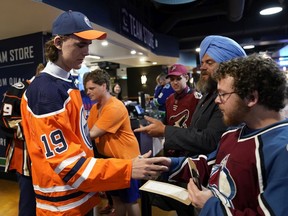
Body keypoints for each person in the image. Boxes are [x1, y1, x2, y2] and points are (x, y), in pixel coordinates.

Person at [20, 10, 169, 216]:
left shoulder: (64, 84)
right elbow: (67, 165)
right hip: (62, 204)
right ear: (58, 43)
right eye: (80, 44)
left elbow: (81, 144)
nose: (87, 51)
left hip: (78, 195)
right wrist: (126, 169)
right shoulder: (46, 91)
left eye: (88, 45)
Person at [134, 35, 246, 215]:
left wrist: (165, 132)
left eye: (209, 62)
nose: (203, 67)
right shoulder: (207, 95)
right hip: (199, 173)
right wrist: (174, 163)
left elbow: (212, 141)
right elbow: (215, 150)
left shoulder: (270, 140)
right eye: (202, 62)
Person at [168, 54, 288, 215]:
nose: (217, 100)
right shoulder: (232, 133)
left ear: (251, 98)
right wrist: (168, 164)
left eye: (223, 94)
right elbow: (211, 164)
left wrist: (209, 206)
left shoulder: (282, 150)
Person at [84, 69, 141, 216]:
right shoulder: (96, 107)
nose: (88, 92)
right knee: (117, 199)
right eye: (86, 89)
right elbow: (87, 130)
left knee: (130, 201)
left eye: (91, 88)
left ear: (103, 86)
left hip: (127, 160)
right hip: (111, 161)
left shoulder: (114, 106)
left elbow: (90, 134)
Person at [0, 63, 44, 216]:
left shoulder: (53, 90)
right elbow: (5, 121)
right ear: (40, 73)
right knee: (28, 202)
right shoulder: (17, 90)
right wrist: (37, 129)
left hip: (49, 158)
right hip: (25, 157)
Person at [164, 64, 200, 156]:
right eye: (172, 79)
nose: (175, 82)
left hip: (190, 148)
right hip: (173, 147)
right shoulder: (169, 99)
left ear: (186, 78)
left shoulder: (196, 98)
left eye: (178, 79)